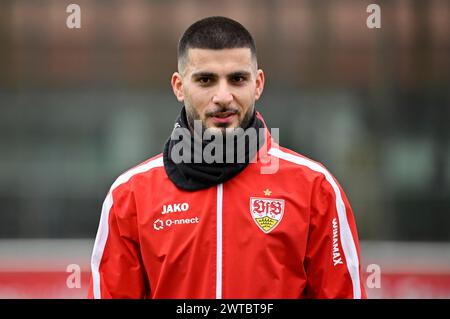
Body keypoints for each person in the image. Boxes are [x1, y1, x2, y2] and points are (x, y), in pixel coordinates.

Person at [88, 16, 366, 299]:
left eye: (237, 79)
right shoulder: (130, 195)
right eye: (206, 80)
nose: (223, 96)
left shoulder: (315, 188)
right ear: (179, 86)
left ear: (257, 84)